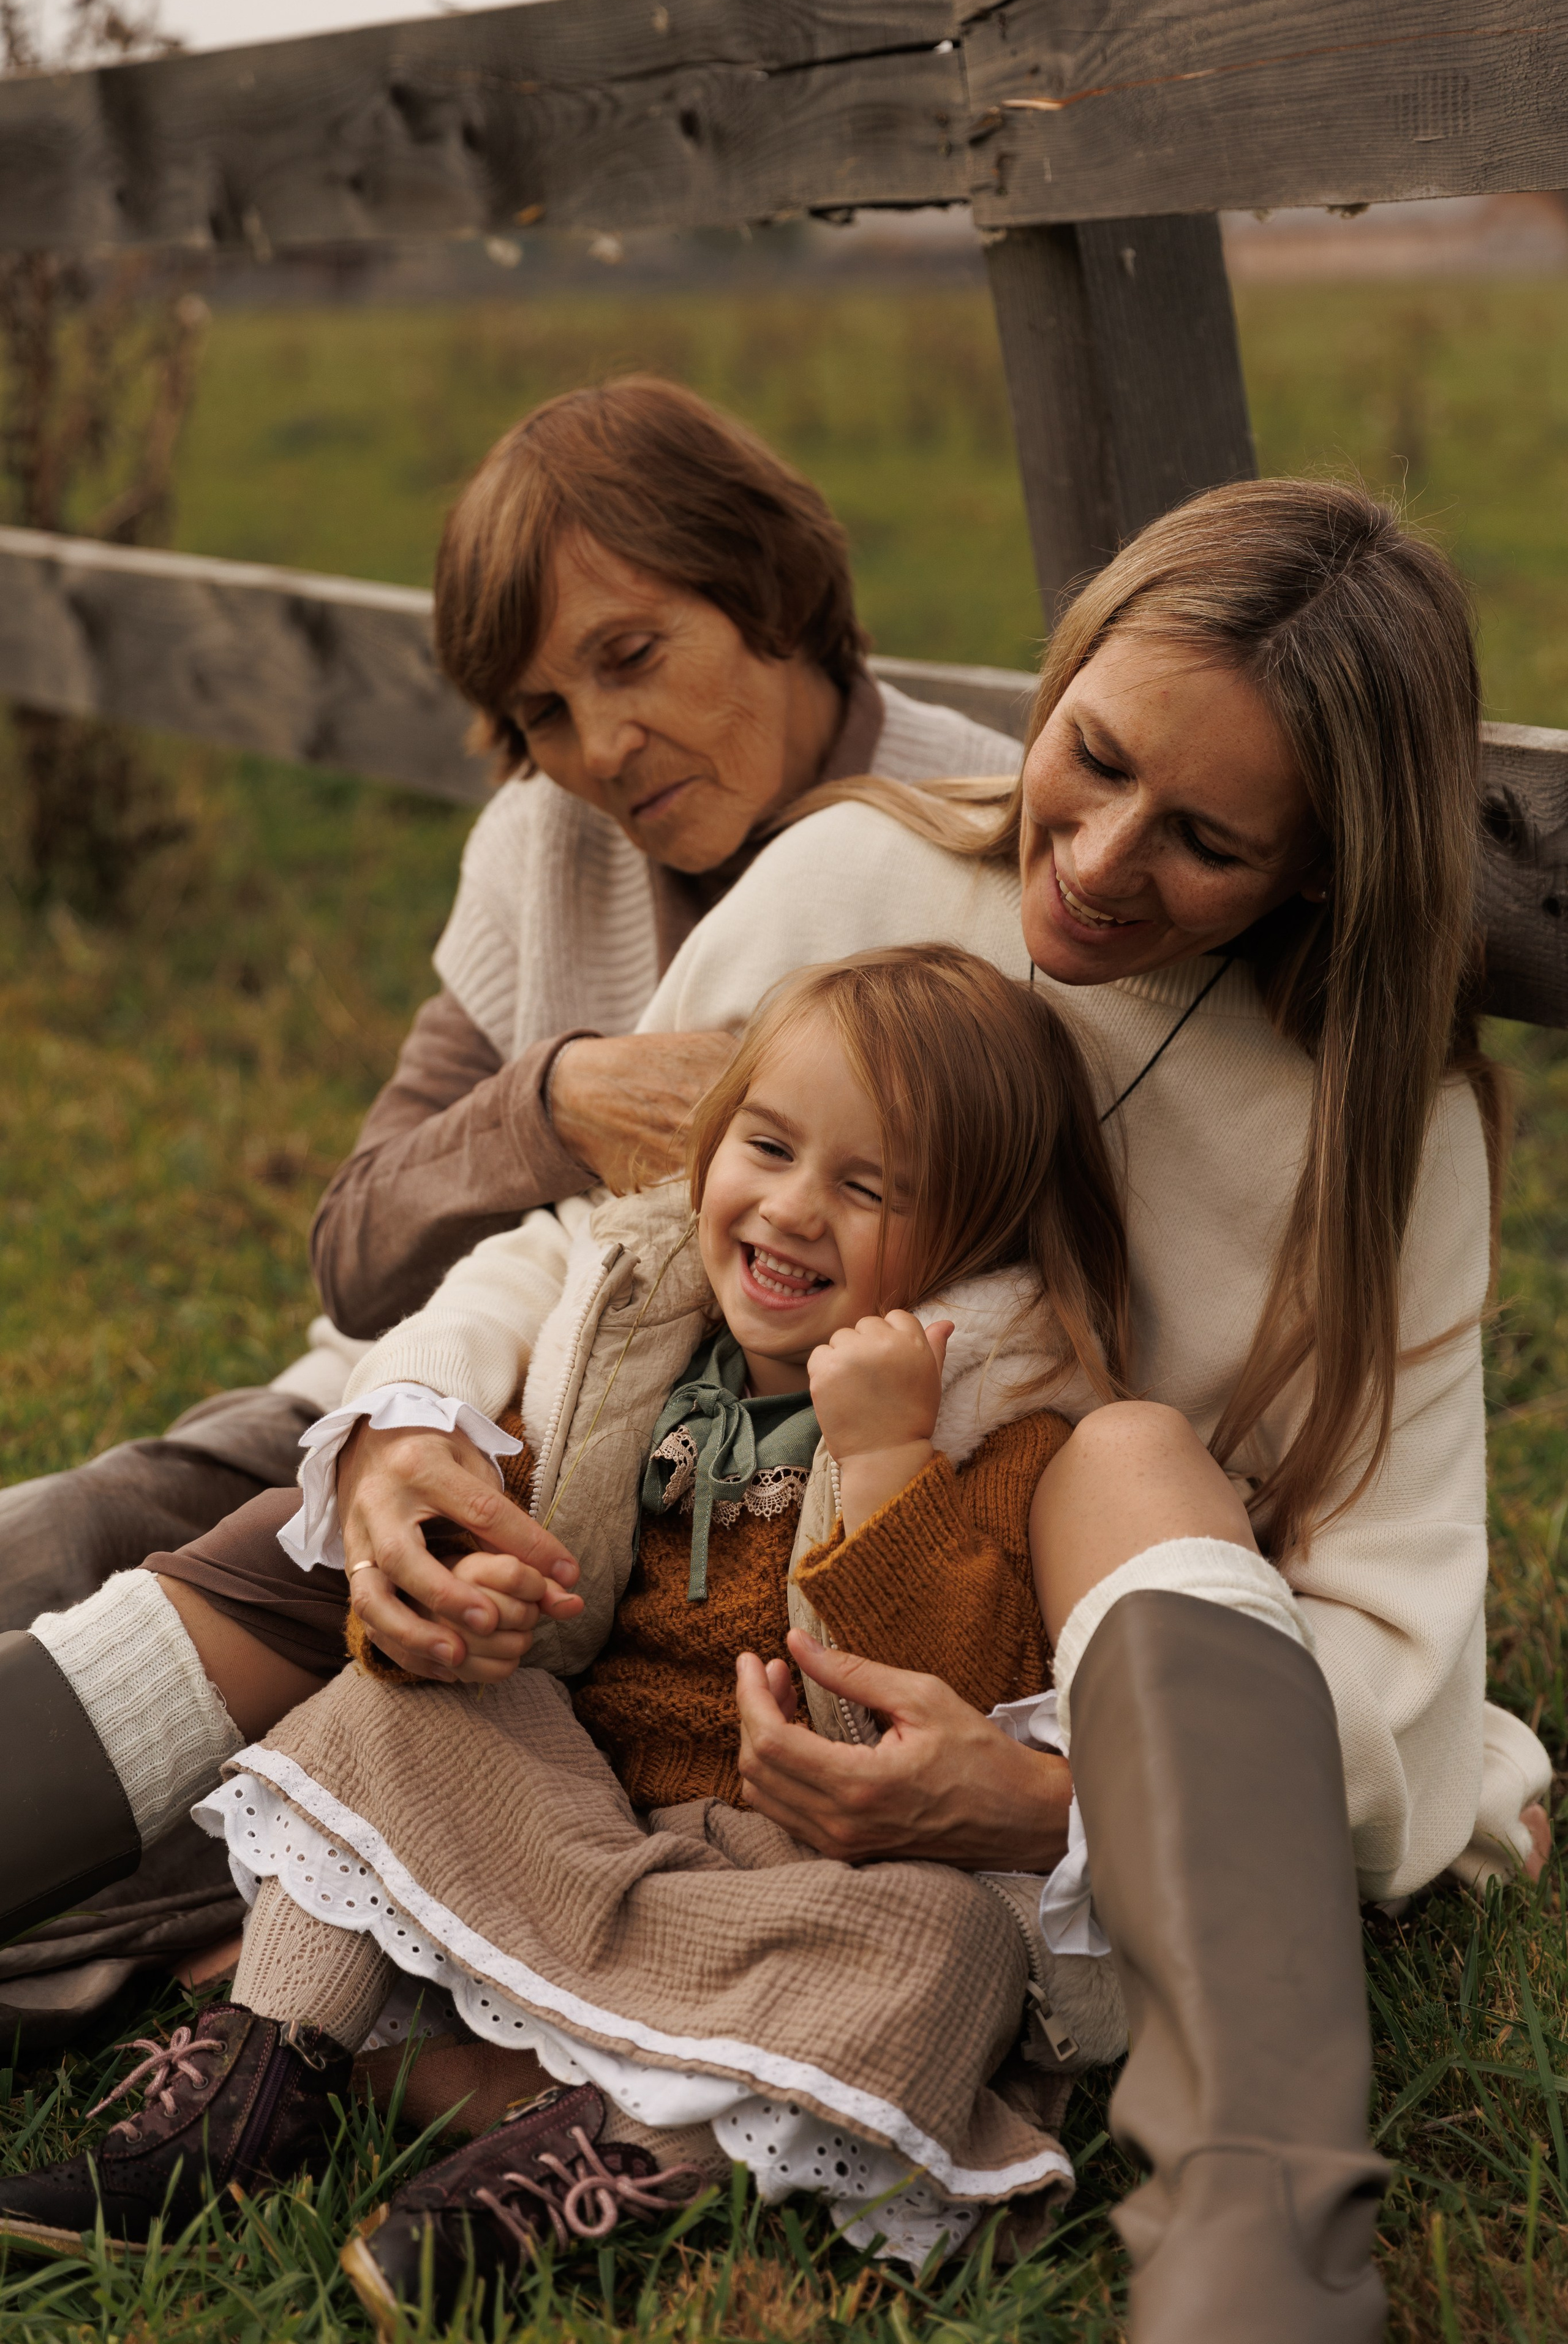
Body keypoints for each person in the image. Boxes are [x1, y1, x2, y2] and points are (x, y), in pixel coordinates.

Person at [6, 478, 1553, 2342]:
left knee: (1124, 1468)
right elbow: (617, 1253)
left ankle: (1262, 2238)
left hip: (979, 1716)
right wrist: (415, 1433)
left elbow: (1392, 1652)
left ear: (1322, 863)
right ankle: (336, 2009)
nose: (1101, 859)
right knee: (323, 1537)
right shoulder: (853, 877)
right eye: (1094, 757)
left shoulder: (1387, 1142)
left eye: (1208, 840)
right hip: (619, 1596)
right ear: (1054, 686)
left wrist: (1038, 1796)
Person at [0, 376, 1019, 1970]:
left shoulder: (977, 846)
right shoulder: (549, 841)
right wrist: (552, 1101)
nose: (600, 749)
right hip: (425, 1384)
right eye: (545, 710)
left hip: (678, 1518)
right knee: (98, 1515)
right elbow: (357, 1246)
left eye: (631, 657)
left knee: (267, 1605)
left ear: (774, 596)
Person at [0, 943, 1136, 2299]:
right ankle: (252, 2087)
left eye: (867, 1187)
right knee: (385, 1699)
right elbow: (529, 1571)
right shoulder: (634, 1351)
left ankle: (597, 2161)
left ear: (975, 1240)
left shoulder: (997, 1439)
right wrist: (458, 1612)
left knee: (947, 1953)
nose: (788, 1209)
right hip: (576, 1820)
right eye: (764, 1147)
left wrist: (884, 1458)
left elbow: (931, 1701)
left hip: (799, 1889)